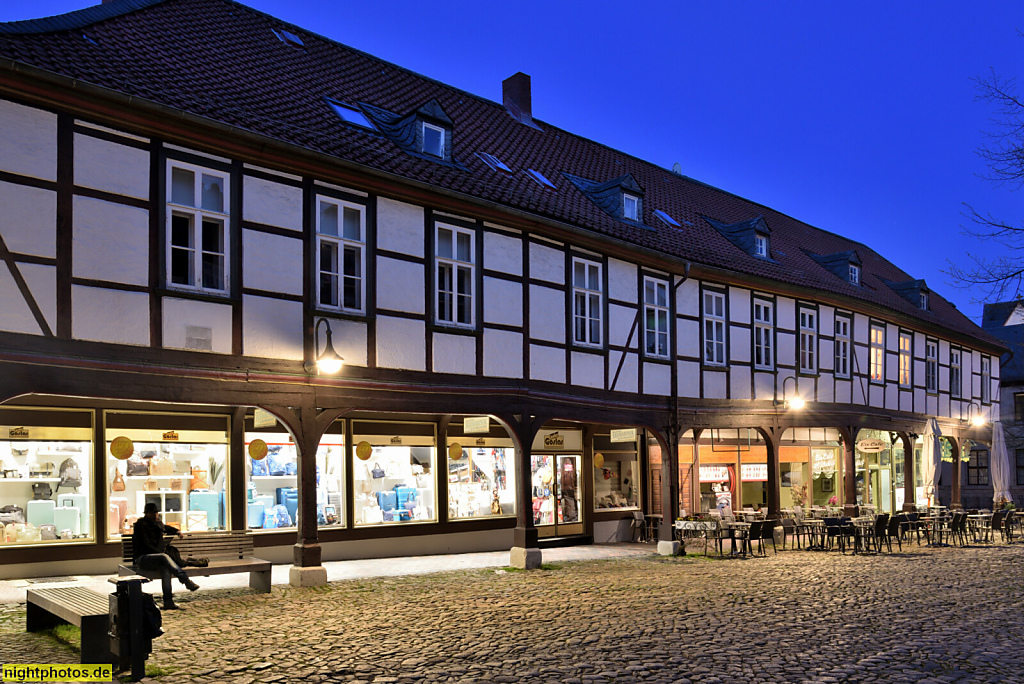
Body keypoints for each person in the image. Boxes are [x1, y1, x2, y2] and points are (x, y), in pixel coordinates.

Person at [132, 503, 199, 610]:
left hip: (156, 558)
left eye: (156, 512)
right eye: (153, 512)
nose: (155, 514)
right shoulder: (141, 525)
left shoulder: (157, 523)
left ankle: (168, 601)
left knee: (166, 569)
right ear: (147, 513)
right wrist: (158, 553)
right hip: (142, 558)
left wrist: (177, 531)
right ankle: (185, 580)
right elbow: (145, 544)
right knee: (163, 557)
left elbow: (165, 528)